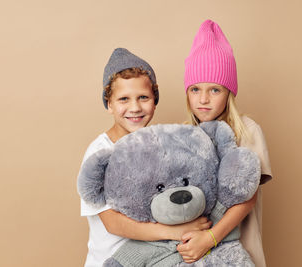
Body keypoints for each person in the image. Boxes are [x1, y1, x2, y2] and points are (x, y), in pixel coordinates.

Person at [78, 48, 211, 267]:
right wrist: (174, 232)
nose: (135, 107)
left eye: (143, 97)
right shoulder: (100, 152)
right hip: (109, 262)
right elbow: (113, 224)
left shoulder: (160, 144)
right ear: (109, 104)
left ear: (155, 100)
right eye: (123, 99)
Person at [176, 20, 273, 267]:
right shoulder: (184, 135)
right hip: (195, 255)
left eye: (215, 90)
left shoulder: (247, 130)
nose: (203, 99)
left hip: (239, 250)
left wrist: (210, 238)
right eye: (195, 89)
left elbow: (247, 198)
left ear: (229, 92)